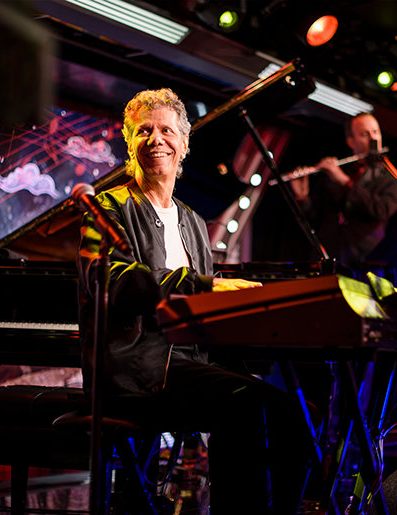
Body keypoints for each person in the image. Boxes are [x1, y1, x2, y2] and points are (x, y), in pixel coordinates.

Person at [76, 88, 321, 514]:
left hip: (192, 362)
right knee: (245, 403)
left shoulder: (191, 221)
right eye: (143, 131)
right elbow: (112, 282)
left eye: (166, 130)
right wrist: (202, 285)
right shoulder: (106, 208)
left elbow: (203, 305)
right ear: (129, 143)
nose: (156, 139)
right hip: (138, 369)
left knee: (297, 411)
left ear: (184, 143)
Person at [290, 112, 397, 274]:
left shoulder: (392, 177)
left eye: (375, 132)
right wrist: (302, 197)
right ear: (351, 141)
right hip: (328, 262)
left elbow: (381, 209)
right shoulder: (335, 172)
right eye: (364, 134)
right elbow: (315, 220)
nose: (373, 138)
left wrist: (344, 181)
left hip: (364, 264)